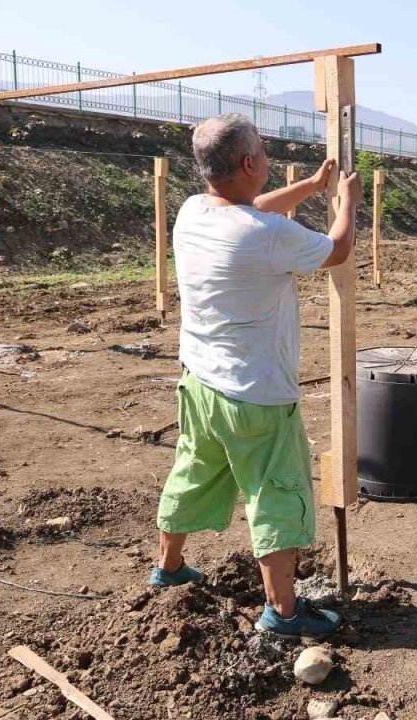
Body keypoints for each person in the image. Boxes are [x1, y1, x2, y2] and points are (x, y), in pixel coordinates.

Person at [152, 113, 362, 640]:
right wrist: (347, 204)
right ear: (249, 163)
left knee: (193, 469)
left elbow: (254, 211)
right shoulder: (264, 237)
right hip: (256, 396)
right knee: (276, 493)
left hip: (199, 382)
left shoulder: (193, 212)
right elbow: (337, 249)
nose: (266, 157)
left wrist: (311, 186)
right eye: (262, 151)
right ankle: (284, 611)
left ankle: (168, 567)